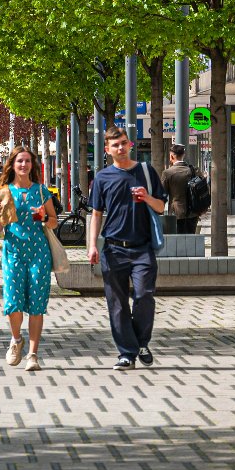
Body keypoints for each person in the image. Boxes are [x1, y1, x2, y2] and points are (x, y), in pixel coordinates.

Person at [87, 125, 168, 370]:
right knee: (117, 303)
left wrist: (146, 196)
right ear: (108, 150)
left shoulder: (146, 171)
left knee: (144, 296)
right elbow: (97, 214)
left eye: (123, 143)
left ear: (130, 144)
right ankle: (127, 352)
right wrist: (92, 245)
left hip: (142, 248)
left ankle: (141, 342)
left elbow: (161, 207)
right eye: (115, 145)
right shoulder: (102, 177)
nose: (120, 147)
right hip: (113, 249)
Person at [0, 145, 57, 371]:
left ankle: (33, 354)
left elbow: (54, 222)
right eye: (20, 161)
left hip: (39, 253)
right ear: (13, 164)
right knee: (13, 303)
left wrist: (44, 217)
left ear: (32, 165)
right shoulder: (4, 191)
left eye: (27, 161)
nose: (23, 165)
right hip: (13, 253)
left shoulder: (41, 191)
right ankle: (16, 339)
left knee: (37, 304)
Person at [160, 144, 204, 236]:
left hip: (176, 213)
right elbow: (203, 188)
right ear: (183, 155)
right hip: (193, 211)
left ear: (171, 156)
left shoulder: (167, 173)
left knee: (177, 242)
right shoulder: (194, 170)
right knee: (191, 240)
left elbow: (162, 194)